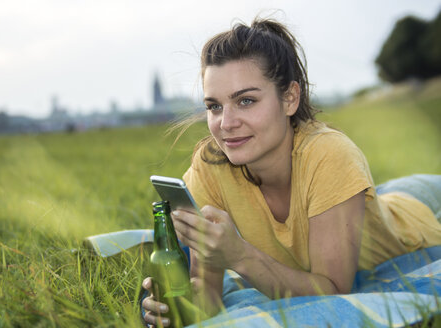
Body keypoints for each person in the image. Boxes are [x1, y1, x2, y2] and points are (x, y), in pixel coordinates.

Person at [141, 16, 441, 327]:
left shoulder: (330, 155)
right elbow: (207, 293)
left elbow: (335, 291)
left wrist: (241, 256)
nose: (226, 123)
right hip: (368, 201)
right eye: (214, 106)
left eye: (246, 101)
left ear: (290, 98)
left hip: (416, 223)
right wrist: (176, 308)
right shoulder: (209, 166)